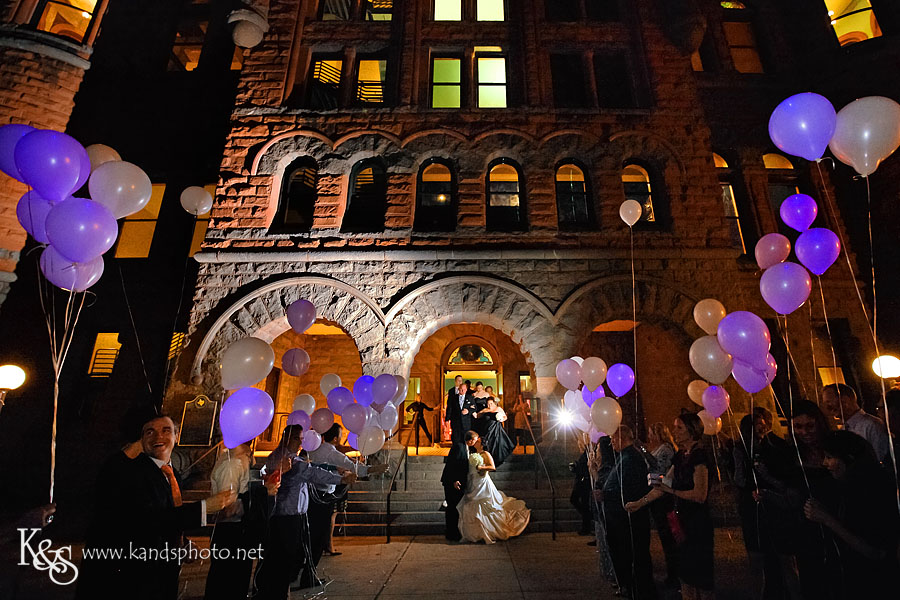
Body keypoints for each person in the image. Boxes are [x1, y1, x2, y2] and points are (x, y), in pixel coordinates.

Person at [77, 413, 237, 600]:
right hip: (132, 575)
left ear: (176, 437)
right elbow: (149, 519)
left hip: (162, 573)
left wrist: (182, 545)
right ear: (141, 440)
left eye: (165, 430)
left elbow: (169, 515)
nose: (158, 437)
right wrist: (203, 508)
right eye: (149, 432)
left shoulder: (172, 474)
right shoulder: (131, 473)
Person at [254, 425, 356, 600]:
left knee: (276, 556)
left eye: (302, 440)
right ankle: (279, 592)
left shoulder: (276, 456)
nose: (301, 444)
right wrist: (341, 479)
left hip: (281, 513)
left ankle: (267, 588)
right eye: (298, 439)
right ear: (288, 438)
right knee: (285, 556)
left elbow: (312, 467)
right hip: (289, 514)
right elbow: (313, 473)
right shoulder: (289, 461)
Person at [803, 430, 900, 597]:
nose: (824, 463)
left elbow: (876, 551)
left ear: (848, 458)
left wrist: (827, 519)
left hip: (874, 583)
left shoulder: (873, 492)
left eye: (829, 457)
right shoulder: (844, 488)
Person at [628, 413, 713, 600]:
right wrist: (639, 503)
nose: (674, 431)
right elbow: (664, 483)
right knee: (686, 576)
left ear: (692, 431)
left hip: (697, 523)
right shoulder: (681, 455)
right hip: (681, 522)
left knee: (701, 578)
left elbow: (700, 494)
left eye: (679, 427)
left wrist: (672, 491)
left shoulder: (699, 456)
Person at [733, 409, 799, 600]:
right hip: (753, 511)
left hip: (777, 509)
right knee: (756, 559)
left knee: (786, 559)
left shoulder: (778, 447)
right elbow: (739, 480)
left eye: (762, 424)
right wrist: (738, 458)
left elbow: (787, 483)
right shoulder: (742, 449)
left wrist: (766, 475)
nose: (760, 428)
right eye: (755, 426)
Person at [307, 423, 387, 561]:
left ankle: (308, 562)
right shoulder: (332, 453)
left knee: (312, 530)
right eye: (340, 434)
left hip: (311, 492)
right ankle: (311, 568)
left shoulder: (314, 449)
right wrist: (373, 469)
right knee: (320, 532)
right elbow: (351, 466)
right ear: (336, 438)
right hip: (324, 494)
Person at [602, 425, 657, 600]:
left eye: (613, 439)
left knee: (633, 554)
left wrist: (606, 494)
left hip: (628, 518)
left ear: (621, 438)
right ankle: (631, 586)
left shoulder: (631, 458)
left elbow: (627, 487)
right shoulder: (624, 457)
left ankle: (638, 589)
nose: (611, 443)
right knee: (627, 553)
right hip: (621, 516)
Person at [457, 430, 530, 543]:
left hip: (482, 482)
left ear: (481, 444)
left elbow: (492, 467)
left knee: (485, 504)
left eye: (478, 441)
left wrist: (481, 468)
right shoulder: (472, 454)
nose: (476, 442)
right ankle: (476, 533)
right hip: (473, 482)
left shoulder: (485, 454)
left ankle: (489, 530)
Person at [204, 443, 253, 600]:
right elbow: (227, 508)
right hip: (231, 531)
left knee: (235, 580)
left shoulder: (241, 459)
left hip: (238, 528)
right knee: (227, 581)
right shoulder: (232, 463)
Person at [822, 383, 890, 463]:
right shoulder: (843, 430)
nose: (827, 407)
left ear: (845, 400)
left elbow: (880, 459)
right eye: (825, 404)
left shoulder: (871, 425)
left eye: (829, 402)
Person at [647, 422, 679, 589]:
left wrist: (643, 453)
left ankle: (674, 574)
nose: (649, 435)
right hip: (657, 495)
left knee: (668, 536)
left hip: (664, 497)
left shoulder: (665, 450)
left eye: (652, 432)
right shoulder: (658, 449)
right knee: (664, 535)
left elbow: (659, 471)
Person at [441, 440, 470, 541]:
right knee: (452, 507)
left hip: (456, 482)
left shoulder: (466, 448)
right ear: (470, 440)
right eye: (475, 440)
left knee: (454, 507)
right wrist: (454, 480)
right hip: (451, 482)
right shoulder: (459, 447)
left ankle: (454, 532)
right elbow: (452, 464)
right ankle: (451, 533)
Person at [474, 396, 515, 466]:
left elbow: (505, 417)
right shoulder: (485, 410)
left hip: (496, 429)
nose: (489, 405)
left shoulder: (498, 409)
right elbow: (478, 416)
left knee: (497, 444)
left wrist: (501, 419)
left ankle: (498, 460)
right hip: (487, 430)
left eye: (491, 403)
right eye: (488, 404)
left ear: (494, 403)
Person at [570, 436, 593, 535]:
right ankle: (587, 522)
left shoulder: (587, 454)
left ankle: (587, 523)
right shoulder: (584, 455)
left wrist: (576, 468)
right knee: (581, 503)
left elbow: (584, 469)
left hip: (584, 483)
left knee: (581, 503)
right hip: (582, 482)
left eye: (580, 445)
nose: (579, 446)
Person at [445, 378, 476, 444]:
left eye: (464, 389)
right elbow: (449, 408)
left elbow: (474, 408)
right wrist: (447, 419)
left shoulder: (470, 398)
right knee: (456, 439)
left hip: (466, 422)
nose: (462, 390)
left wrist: (468, 411)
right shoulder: (453, 398)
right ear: (458, 389)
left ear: (466, 390)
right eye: (461, 389)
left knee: (466, 439)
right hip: (455, 422)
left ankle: (465, 453)